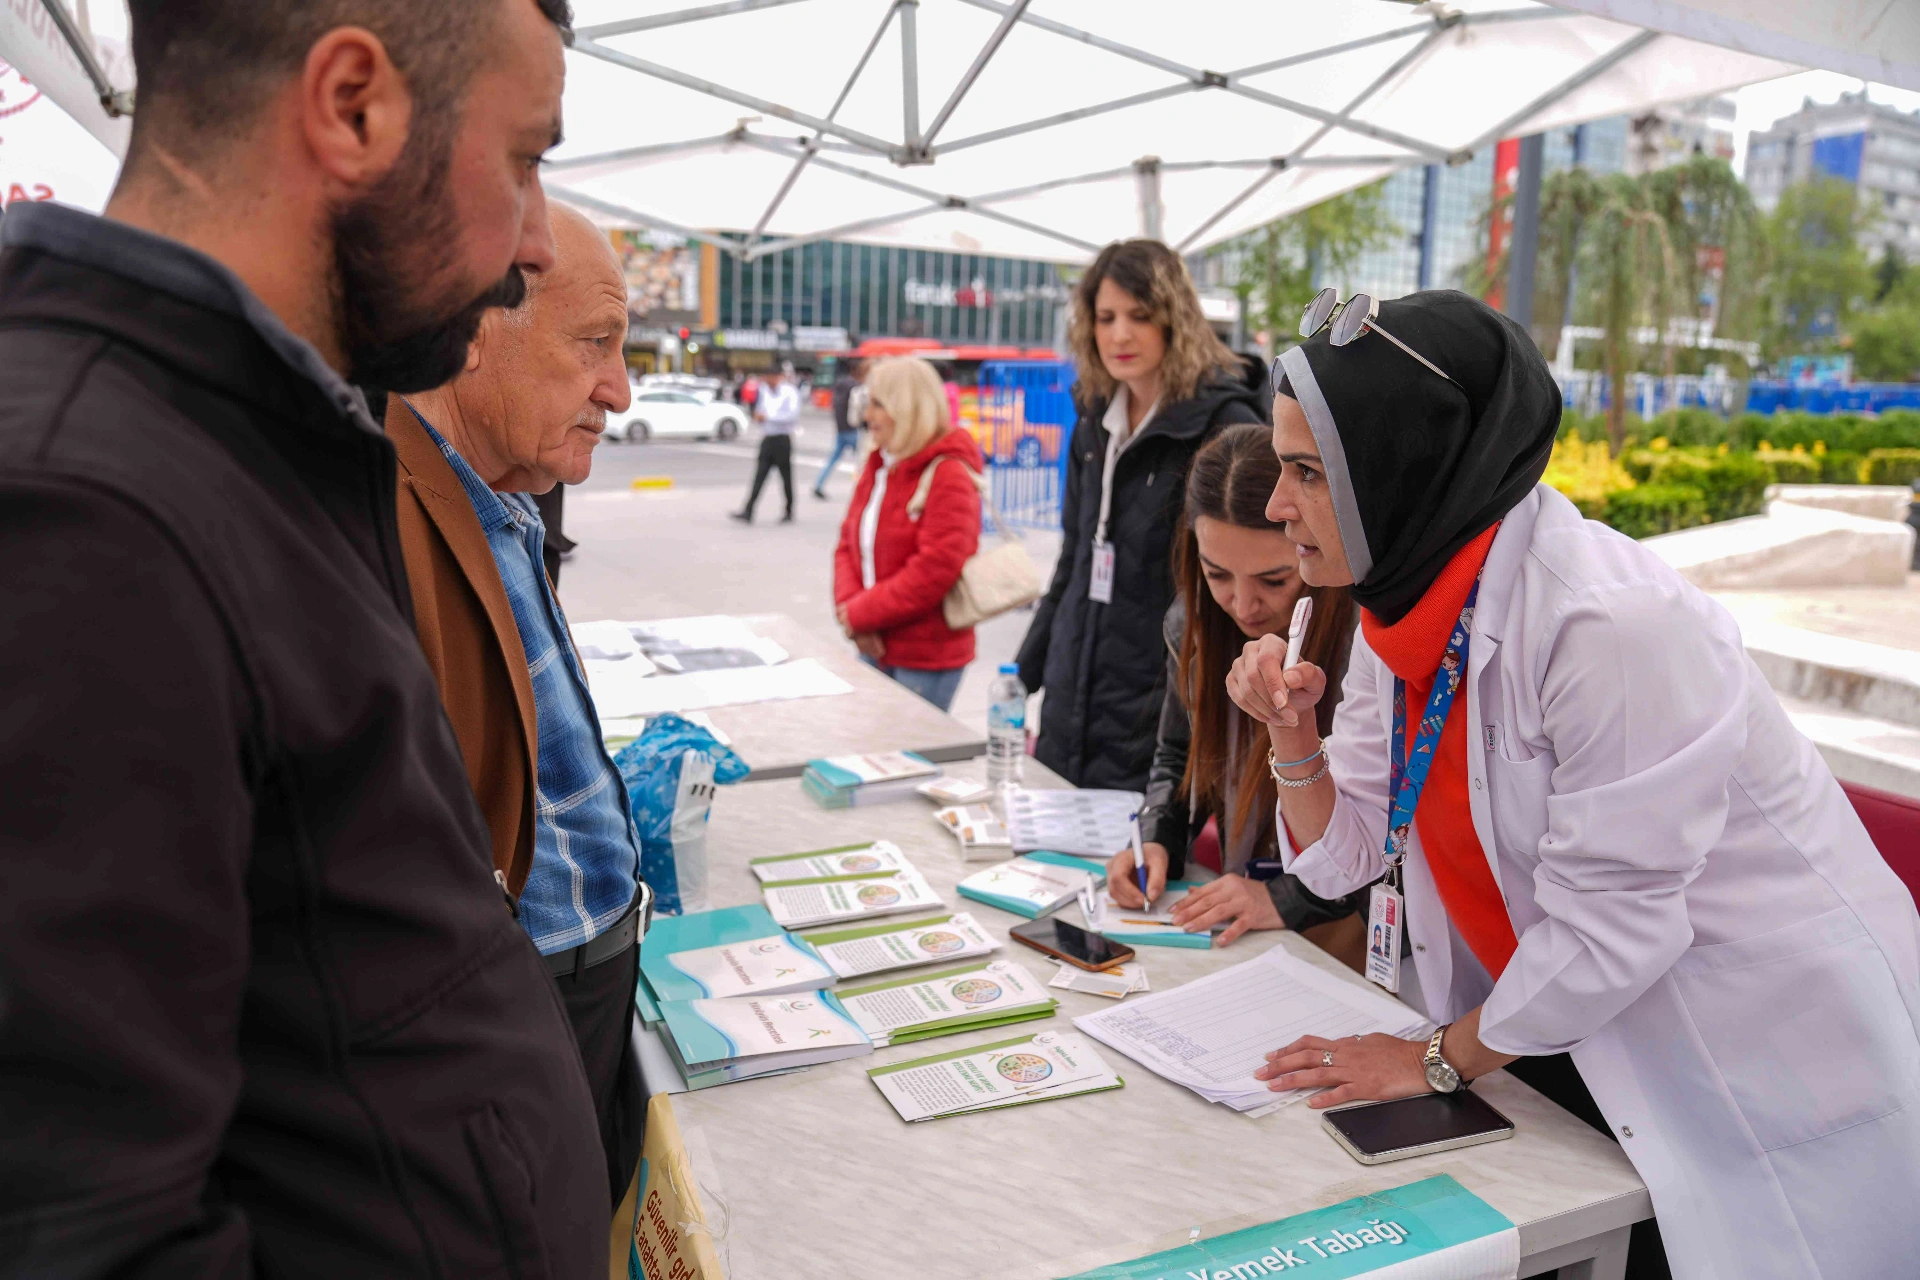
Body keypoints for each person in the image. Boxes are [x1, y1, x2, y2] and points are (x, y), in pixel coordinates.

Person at [0, 1, 611, 1275]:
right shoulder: (84, 514)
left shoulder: (243, 443)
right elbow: (82, 1225)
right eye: (523, 158)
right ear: (352, 108)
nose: (534, 238)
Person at [1228, 289, 1920, 1279]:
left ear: (1402, 464)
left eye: (1305, 471)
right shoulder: (1403, 608)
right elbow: (1348, 857)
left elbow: (1616, 931)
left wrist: (1431, 1058)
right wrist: (1291, 734)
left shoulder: (1612, 625)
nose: (1275, 506)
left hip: (1757, 1059)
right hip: (1551, 1027)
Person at [390, 204, 649, 1214]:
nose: (618, 391)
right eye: (595, 344)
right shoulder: (392, 512)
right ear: (474, 333)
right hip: (511, 1034)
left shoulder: (498, 494)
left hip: (572, 1010)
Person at [1017, 238, 1267, 790]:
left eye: (1139, 315)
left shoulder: (1223, 421)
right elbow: (1074, 559)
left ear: (1173, 319)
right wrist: (1023, 672)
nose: (1120, 334)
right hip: (1071, 693)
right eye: (1105, 318)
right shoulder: (1092, 416)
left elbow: (1230, 592)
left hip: (1160, 705)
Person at [1108, 424, 1367, 957]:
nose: (1243, 605)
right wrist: (1157, 835)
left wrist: (1289, 897)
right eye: (1217, 574)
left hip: (1348, 923)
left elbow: (1390, 819)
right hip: (1241, 907)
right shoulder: (1192, 622)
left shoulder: (1365, 641)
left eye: (1274, 580)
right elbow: (1179, 753)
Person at [832, 356, 984, 712]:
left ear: (908, 407)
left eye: (877, 404)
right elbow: (846, 545)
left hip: (924, 657)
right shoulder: (880, 464)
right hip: (871, 642)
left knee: (907, 759)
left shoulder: (948, 473)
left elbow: (934, 570)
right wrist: (853, 615)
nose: (866, 415)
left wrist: (860, 614)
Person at [733, 362, 799, 523]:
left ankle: (789, 510)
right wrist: (759, 417)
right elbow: (760, 410)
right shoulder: (764, 391)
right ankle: (748, 510)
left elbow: (791, 416)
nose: (769, 381)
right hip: (768, 438)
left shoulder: (789, 392)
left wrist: (768, 417)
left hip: (782, 439)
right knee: (759, 475)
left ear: (779, 377)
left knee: (786, 478)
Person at [813, 359, 865, 500]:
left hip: (840, 429)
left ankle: (818, 484)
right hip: (852, 429)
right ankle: (861, 488)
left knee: (833, 459)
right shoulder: (855, 388)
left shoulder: (839, 386)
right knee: (863, 461)